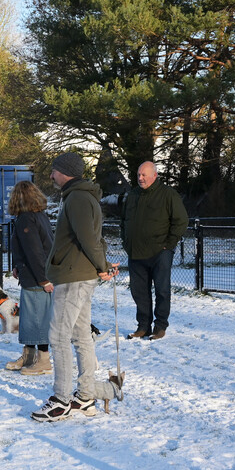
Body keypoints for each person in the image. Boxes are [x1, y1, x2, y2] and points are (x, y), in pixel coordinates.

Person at [31, 153, 122, 422]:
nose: (51, 175)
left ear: (65, 171)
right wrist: (103, 264)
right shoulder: (78, 196)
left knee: (58, 336)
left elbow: (90, 239)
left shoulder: (78, 198)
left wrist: (103, 266)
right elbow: (93, 239)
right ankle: (84, 397)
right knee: (81, 336)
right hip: (76, 275)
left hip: (74, 277)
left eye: (54, 170)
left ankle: (61, 400)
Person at [120, 161, 189, 340]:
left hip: (160, 252)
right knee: (139, 292)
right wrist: (126, 242)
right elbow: (124, 221)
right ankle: (143, 326)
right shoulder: (133, 195)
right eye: (138, 175)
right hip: (136, 252)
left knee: (162, 290)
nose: (140, 178)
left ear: (154, 175)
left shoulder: (168, 194)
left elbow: (181, 220)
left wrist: (169, 243)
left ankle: (160, 326)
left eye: (144, 175)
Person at [5, 181, 54, 374]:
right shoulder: (40, 215)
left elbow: (35, 252)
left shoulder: (26, 219)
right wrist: (18, 265)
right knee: (29, 318)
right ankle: (29, 355)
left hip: (36, 278)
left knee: (37, 320)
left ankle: (43, 361)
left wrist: (43, 279)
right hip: (35, 274)